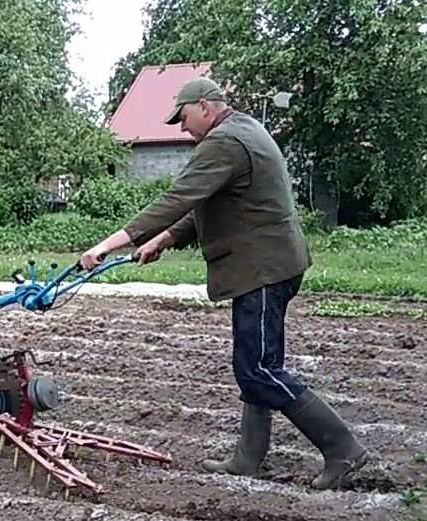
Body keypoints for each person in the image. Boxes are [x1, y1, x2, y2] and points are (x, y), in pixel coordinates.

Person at [80, 76, 368, 490]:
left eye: (182, 117)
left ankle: (343, 449)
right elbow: (206, 204)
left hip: (263, 269)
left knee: (257, 369)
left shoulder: (223, 142)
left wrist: (108, 244)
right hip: (270, 264)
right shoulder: (245, 128)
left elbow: (177, 198)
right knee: (258, 365)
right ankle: (248, 459)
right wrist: (163, 239)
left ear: (205, 107)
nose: (181, 127)